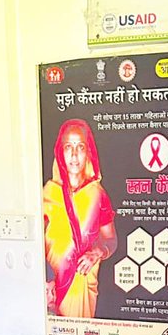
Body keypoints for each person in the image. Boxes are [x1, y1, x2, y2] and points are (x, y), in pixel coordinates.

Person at [43, 119, 117, 320]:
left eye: (80, 147)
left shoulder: (97, 195)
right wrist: (44, 279)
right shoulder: (48, 193)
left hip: (82, 285)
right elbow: (34, 243)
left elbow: (111, 239)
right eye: (68, 147)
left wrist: (96, 253)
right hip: (51, 287)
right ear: (60, 152)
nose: (74, 155)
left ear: (88, 153)